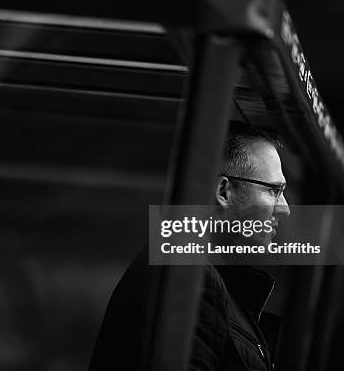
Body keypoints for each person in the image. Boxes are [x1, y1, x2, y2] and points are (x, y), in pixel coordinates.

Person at [89, 120, 291, 371]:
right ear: (224, 192)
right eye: (274, 190)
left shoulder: (199, 272)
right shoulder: (191, 278)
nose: (285, 208)